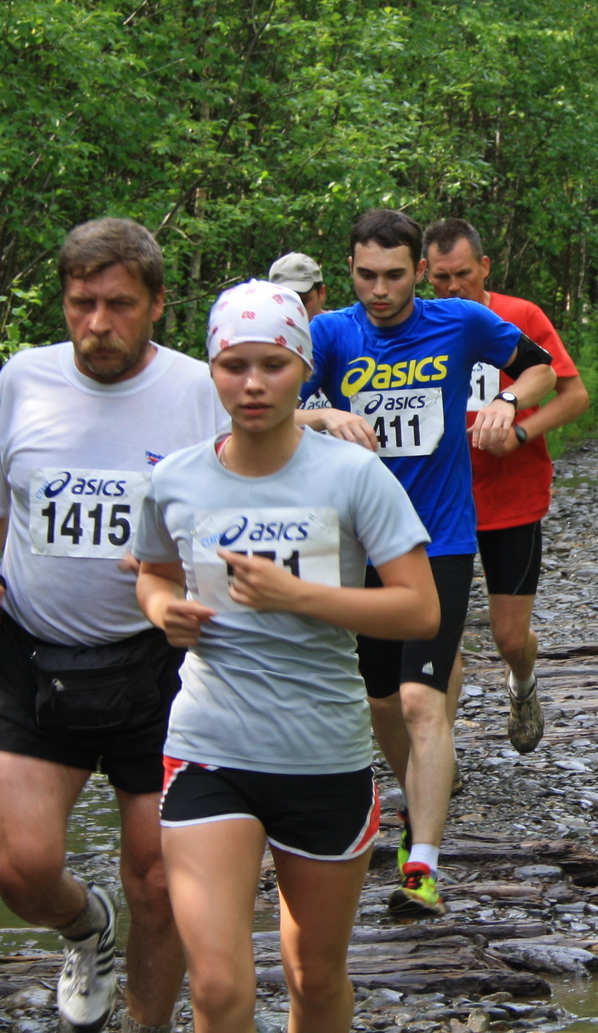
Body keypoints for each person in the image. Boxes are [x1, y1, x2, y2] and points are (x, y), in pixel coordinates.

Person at [135, 281, 439, 1033]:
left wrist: (297, 596)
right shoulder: (175, 477)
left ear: (302, 366)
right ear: (212, 369)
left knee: (315, 974)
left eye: (271, 363)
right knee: (218, 986)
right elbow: (151, 567)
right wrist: (160, 610)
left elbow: (419, 608)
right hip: (210, 747)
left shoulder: (352, 475)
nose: (252, 382)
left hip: (322, 753)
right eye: (234, 364)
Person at [0, 219, 225, 1033]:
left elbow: (249, 493)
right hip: (34, 654)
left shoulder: (196, 389)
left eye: (117, 304)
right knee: (20, 871)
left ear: (157, 306)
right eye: (81, 303)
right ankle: (85, 927)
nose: (97, 324)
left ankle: (148, 1025)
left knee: (157, 879)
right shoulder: (24, 380)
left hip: (158, 662)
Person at [295, 209, 557, 918]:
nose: (380, 290)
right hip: (359, 540)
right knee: (383, 701)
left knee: (420, 698)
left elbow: (539, 369)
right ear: (348, 270)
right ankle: (423, 794)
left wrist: (506, 401)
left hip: (438, 538)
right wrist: (325, 417)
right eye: (365, 275)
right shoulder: (329, 335)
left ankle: (423, 864)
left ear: (416, 270)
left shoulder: (459, 323)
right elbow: (260, 409)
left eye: (394, 275)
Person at [424, 218, 589, 759]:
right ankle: (437, 758)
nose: (452, 289)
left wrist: (519, 430)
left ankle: (522, 685)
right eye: (441, 278)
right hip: (435, 501)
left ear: (485, 267)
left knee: (509, 638)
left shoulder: (518, 317)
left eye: (463, 275)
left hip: (510, 494)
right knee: (438, 638)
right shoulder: (416, 327)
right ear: (424, 274)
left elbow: (573, 395)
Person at [268, 252, 327, 321]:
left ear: (321, 293)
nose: (296, 310)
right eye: (284, 302)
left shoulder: (338, 329)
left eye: (303, 301)